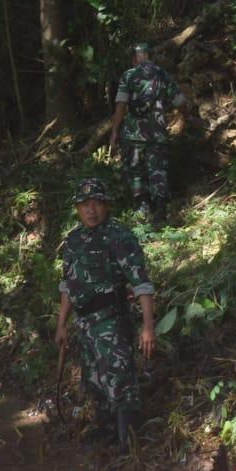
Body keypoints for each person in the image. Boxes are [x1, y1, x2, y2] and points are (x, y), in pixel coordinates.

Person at [54, 177, 156, 447]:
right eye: (85, 205)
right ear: (77, 208)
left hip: (112, 320)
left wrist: (148, 326)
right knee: (95, 382)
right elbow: (67, 285)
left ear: (106, 206)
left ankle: (129, 443)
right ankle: (108, 433)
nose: (91, 210)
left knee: (120, 380)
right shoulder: (74, 240)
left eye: (97, 203)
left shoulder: (120, 237)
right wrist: (62, 325)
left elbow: (141, 283)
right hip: (84, 323)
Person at [109, 42, 188, 226]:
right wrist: (185, 119)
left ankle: (141, 206)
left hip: (132, 134)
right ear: (150, 56)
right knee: (158, 169)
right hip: (157, 133)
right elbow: (180, 101)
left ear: (135, 58)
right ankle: (160, 208)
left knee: (135, 169)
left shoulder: (128, 76)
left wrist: (114, 132)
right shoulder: (162, 75)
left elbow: (120, 107)